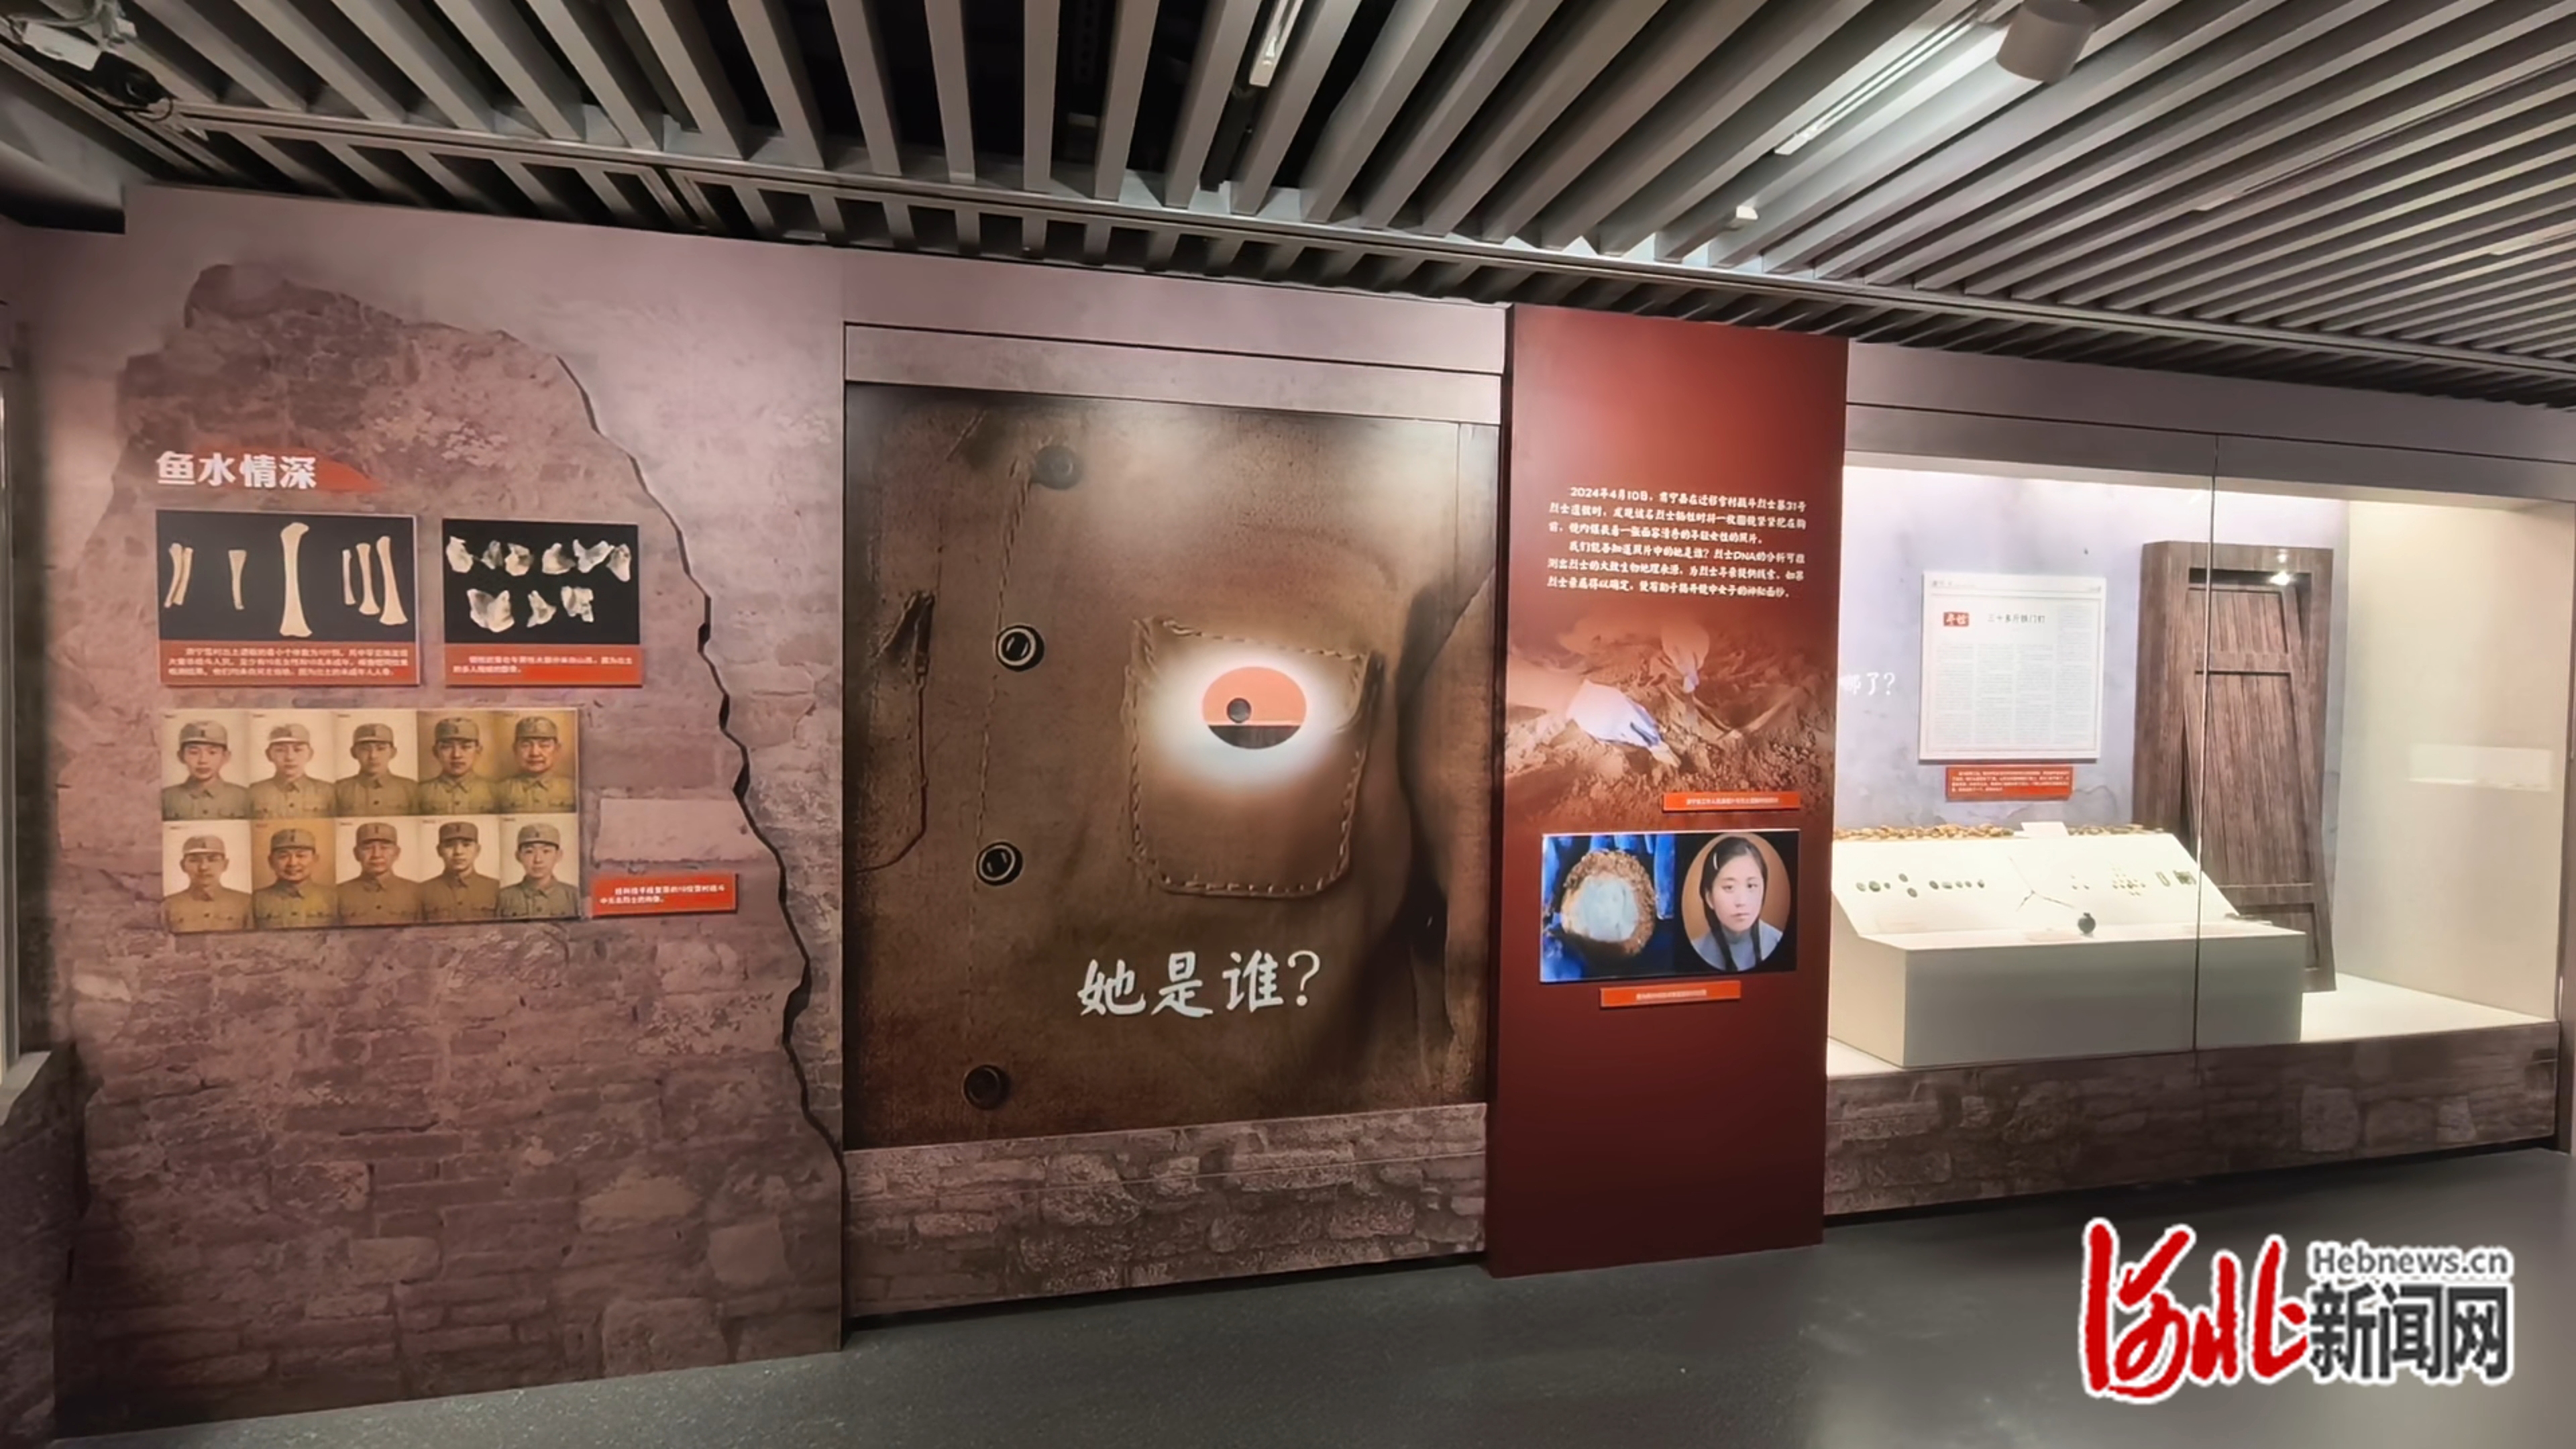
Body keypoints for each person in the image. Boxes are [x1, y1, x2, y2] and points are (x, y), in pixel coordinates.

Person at [1690, 836, 1782, 972]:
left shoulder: (1778, 941)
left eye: (1751, 886)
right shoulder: (1697, 951)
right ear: (1709, 898)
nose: (1741, 901)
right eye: (1729, 887)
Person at [161, 720, 251, 820]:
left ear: (226, 757)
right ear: (181, 756)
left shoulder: (245, 797)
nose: (203, 760)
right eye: (194, 752)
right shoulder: (164, 798)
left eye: (212, 752)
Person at [335, 820, 420, 926]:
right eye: (367, 848)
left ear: (397, 853)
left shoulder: (417, 893)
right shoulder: (337, 894)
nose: (376, 855)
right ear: (356, 854)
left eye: (384, 848)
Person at [251, 826, 336, 929]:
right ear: (271, 861)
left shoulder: (334, 898)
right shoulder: (255, 901)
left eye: (301, 856)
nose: (293, 863)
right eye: (283, 857)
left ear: (315, 859)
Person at [163, 834, 251, 933]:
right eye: (194, 861)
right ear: (183, 865)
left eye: (212, 860)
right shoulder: (168, 906)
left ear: (225, 865)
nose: (203, 867)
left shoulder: (245, 903)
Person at [248, 721, 335, 820]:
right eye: (280, 750)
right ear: (269, 755)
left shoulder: (329, 792)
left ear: (310, 754)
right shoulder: (253, 793)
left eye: (298, 750)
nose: (290, 757)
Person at [418, 820, 499, 922]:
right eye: (450, 846)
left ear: (477, 850)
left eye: (466, 845)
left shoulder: (495, 889)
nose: (458, 852)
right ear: (439, 851)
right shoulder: (422, 891)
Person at [496, 821, 578, 920]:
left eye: (546, 851)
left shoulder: (574, 896)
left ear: (558, 855)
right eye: (529, 852)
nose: (538, 860)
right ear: (518, 856)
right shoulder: (504, 897)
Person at [333, 722, 419, 816]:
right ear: (353, 753)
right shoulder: (339, 790)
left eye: (381, 749)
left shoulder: (411, 789)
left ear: (393, 752)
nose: (373, 756)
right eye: (365, 749)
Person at [494, 716, 574, 812]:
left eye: (544, 745)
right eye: (526, 745)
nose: (535, 753)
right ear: (515, 749)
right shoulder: (499, 791)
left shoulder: (573, 789)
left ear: (557, 749)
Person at [417, 716, 496, 814]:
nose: (456, 755)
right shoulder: (420, 793)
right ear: (436, 752)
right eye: (447, 747)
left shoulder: (494, 791)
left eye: (466, 747)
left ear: (478, 750)